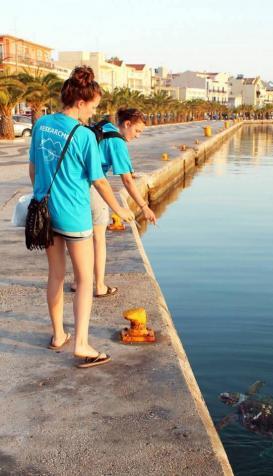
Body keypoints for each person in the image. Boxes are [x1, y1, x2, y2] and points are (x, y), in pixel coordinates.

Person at [29, 66, 133, 368]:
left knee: (56, 276)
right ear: (80, 103)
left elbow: (33, 169)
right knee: (85, 280)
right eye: (94, 106)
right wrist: (118, 208)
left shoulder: (42, 124)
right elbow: (99, 181)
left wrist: (40, 196)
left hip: (45, 212)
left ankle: (59, 335)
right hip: (74, 215)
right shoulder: (85, 135)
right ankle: (83, 344)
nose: (94, 112)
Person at [71, 108, 156, 297]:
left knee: (81, 236)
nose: (138, 136)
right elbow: (127, 180)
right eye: (137, 131)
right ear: (127, 124)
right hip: (92, 185)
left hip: (74, 184)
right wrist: (144, 206)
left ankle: (78, 282)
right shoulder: (117, 142)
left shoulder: (101, 126)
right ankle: (99, 286)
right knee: (98, 237)